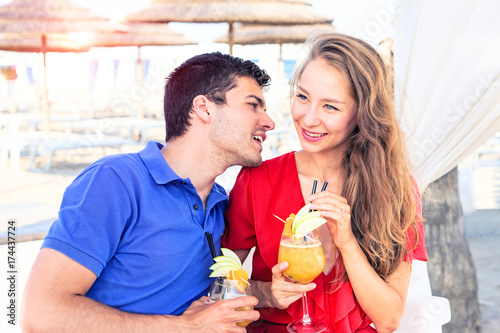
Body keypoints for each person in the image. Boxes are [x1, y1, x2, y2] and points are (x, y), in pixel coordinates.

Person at [21, 52, 275, 333]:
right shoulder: (116, 181)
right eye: (253, 105)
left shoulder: (220, 204)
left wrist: (269, 294)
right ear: (204, 108)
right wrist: (182, 327)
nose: (269, 122)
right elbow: (41, 314)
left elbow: (215, 293)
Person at [223, 33, 428, 332]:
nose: (308, 119)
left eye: (330, 107)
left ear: (362, 113)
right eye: (303, 97)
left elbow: (389, 319)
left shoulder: (396, 190)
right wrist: (267, 294)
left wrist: (346, 242)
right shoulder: (258, 181)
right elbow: (220, 286)